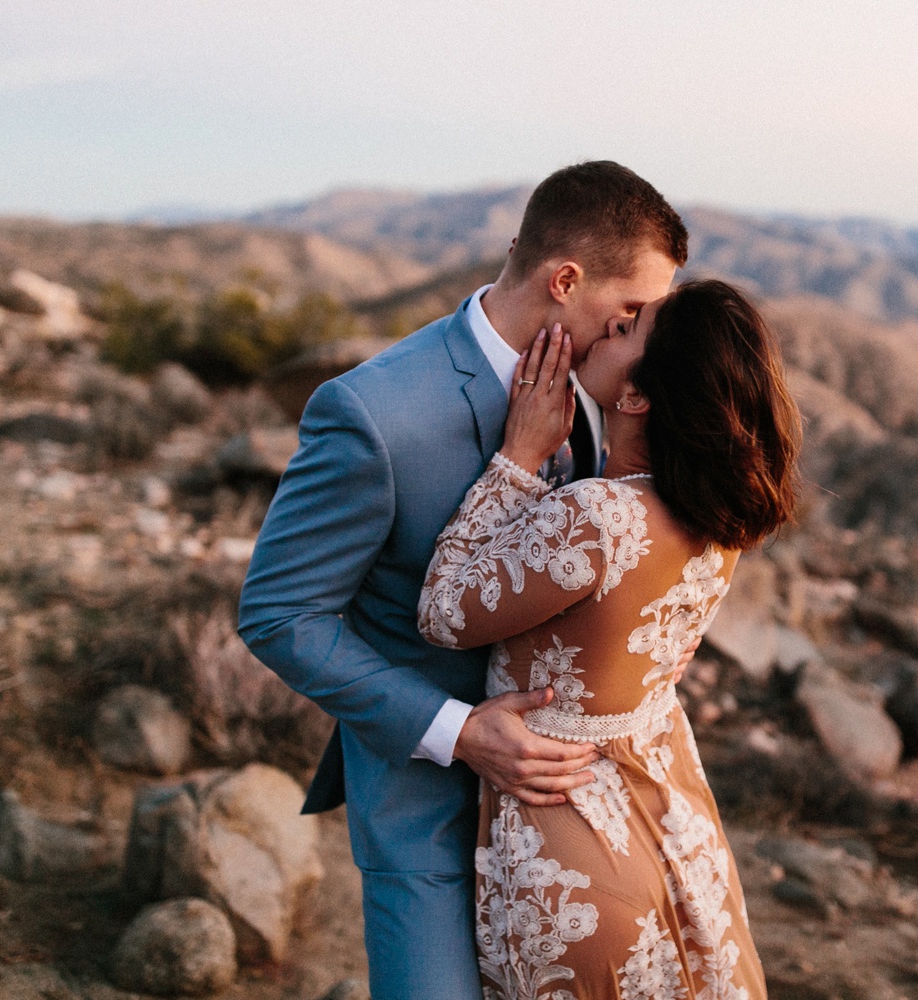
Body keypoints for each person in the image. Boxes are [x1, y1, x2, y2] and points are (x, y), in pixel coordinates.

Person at [237, 162, 689, 999]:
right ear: (564, 281)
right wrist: (458, 730)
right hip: (426, 808)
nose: (638, 337)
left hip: (568, 815)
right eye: (630, 313)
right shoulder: (374, 413)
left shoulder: (606, 388)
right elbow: (279, 615)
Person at [418, 278, 802, 998]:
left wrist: (519, 458)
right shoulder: (720, 522)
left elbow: (443, 613)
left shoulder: (597, 516)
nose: (606, 332)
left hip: (567, 832)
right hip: (670, 813)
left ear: (634, 398)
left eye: (628, 332)